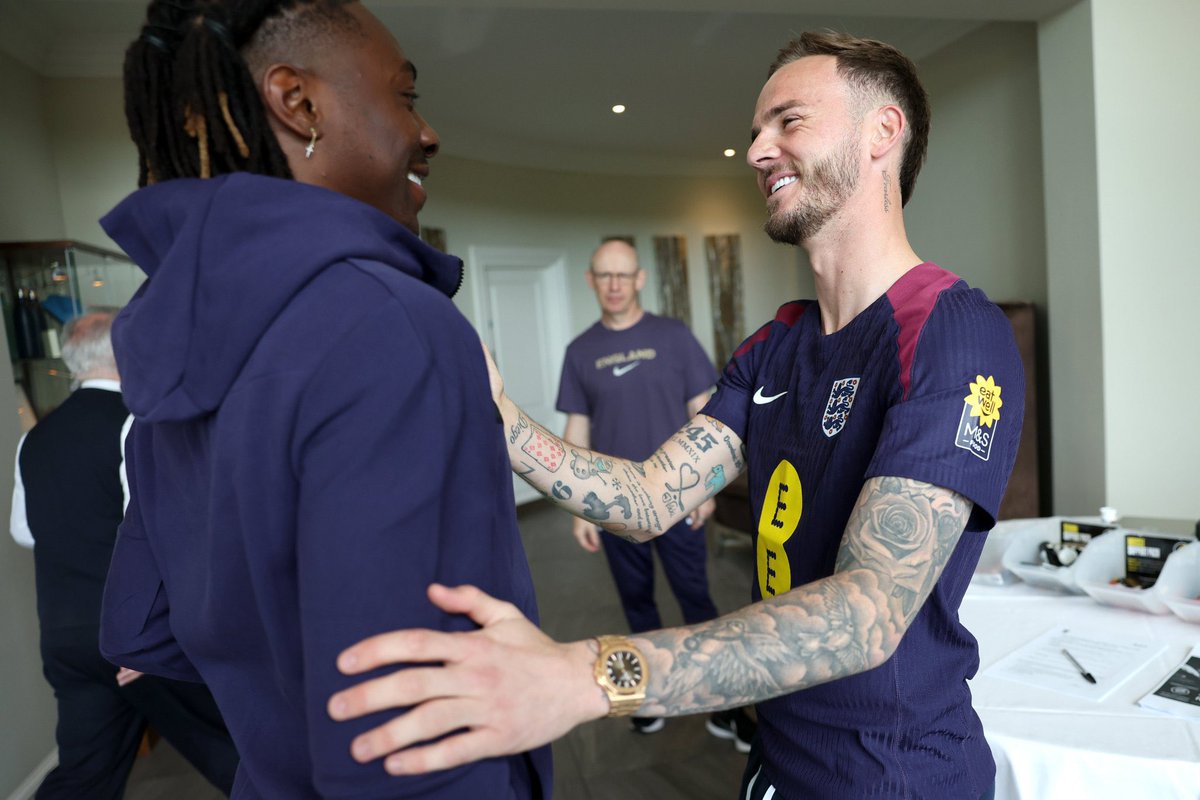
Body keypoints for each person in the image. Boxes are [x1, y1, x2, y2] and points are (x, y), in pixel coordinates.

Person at [326, 31, 1024, 800]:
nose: (758, 151)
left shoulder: (952, 330)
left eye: (788, 122)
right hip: (777, 755)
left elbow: (866, 613)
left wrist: (583, 675)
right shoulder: (775, 343)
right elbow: (653, 497)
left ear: (882, 133)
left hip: (892, 775)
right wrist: (501, 420)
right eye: (756, 131)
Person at [97, 1, 549, 797]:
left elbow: (143, 630)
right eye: (406, 96)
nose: (427, 131)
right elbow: (408, 743)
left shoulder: (171, 341)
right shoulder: (392, 324)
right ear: (296, 102)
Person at [10, 311, 238, 799]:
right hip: (136, 636)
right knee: (238, 753)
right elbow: (164, 534)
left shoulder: (34, 438)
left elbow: (25, 532)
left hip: (65, 636)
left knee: (85, 776)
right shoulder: (138, 423)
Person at [559, 238, 754, 746]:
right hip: (615, 503)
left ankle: (721, 701)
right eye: (605, 275)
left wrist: (704, 485)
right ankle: (647, 697)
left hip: (677, 496)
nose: (615, 284)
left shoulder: (672, 336)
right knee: (636, 603)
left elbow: (704, 410)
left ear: (640, 278)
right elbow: (576, 429)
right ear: (591, 281)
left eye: (624, 275)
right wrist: (578, 505)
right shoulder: (580, 351)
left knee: (695, 596)